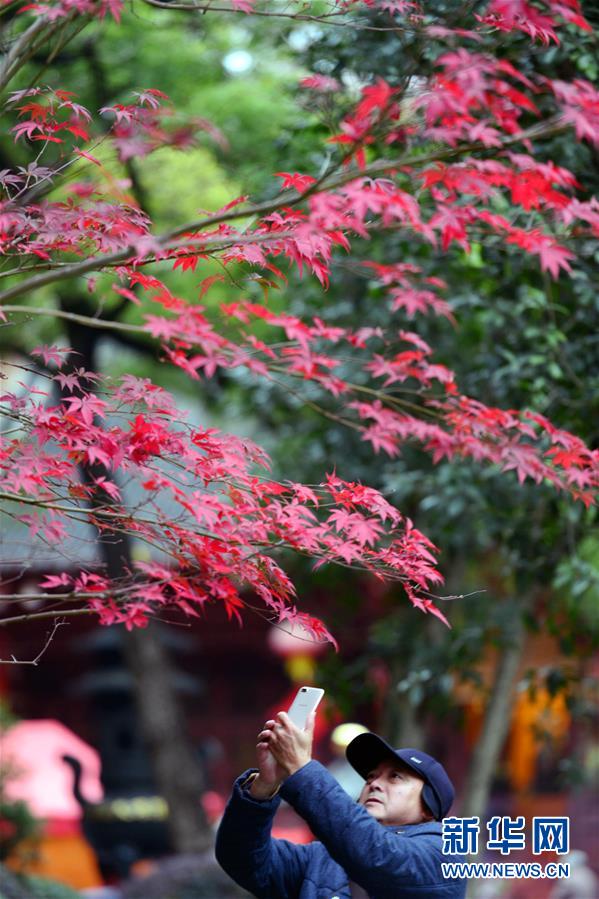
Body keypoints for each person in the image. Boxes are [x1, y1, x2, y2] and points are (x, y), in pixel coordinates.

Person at [215, 710, 466, 898]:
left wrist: (302, 768)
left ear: (428, 808)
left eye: (395, 777)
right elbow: (242, 860)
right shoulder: (321, 856)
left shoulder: (445, 853)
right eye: (370, 777)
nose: (375, 784)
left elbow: (378, 856)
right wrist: (263, 788)